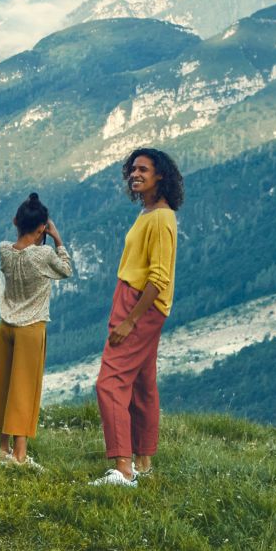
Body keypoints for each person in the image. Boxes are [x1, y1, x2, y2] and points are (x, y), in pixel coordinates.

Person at [91, 148, 182, 487]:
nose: (135, 174)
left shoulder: (160, 218)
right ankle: (143, 461)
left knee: (110, 382)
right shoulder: (150, 213)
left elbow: (159, 279)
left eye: (143, 169)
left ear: (161, 176)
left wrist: (129, 320)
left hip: (139, 305)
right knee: (143, 384)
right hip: (137, 301)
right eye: (132, 169)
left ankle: (122, 468)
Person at [0, 194, 73, 469]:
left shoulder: (3, 250)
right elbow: (66, 270)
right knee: (24, 389)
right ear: (40, 230)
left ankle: (3, 449)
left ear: (15, 222)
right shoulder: (44, 254)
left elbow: (17, 248)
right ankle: (21, 457)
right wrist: (57, 240)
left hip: (6, 325)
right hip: (31, 328)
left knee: (4, 384)